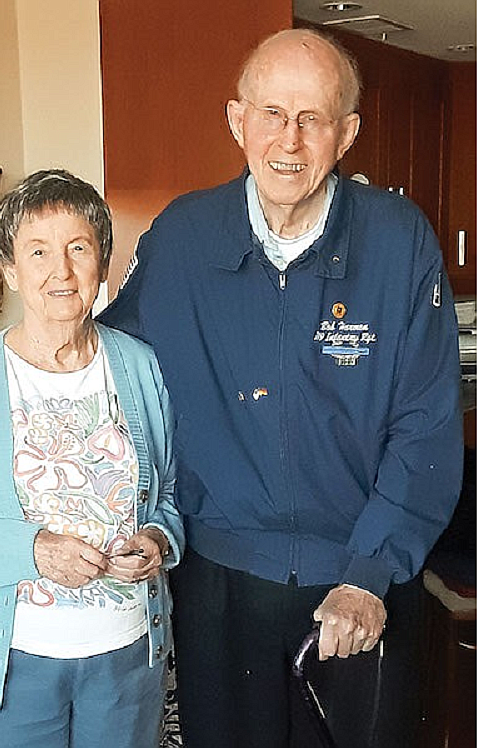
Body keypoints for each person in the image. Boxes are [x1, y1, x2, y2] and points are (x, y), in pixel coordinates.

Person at [99, 28, 463, 748]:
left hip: (362, 585)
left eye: (312, 118)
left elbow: (426, 424)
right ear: (238, 121)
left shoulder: (399, 241)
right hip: (221, 586)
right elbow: (111, 376)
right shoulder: (181, 239)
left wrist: (368, 574)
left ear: (347, 133)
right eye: (271, 114)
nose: (287, 141)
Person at [0, 169, 184, 748]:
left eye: (79, 247)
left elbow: (171, 497)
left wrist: (157, 539)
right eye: (38, 251)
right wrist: (32, 551)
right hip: (9, 664)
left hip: (126, 657)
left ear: (102, 261)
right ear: (10, 270)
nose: (62, 270)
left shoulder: (140, 366)